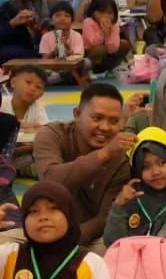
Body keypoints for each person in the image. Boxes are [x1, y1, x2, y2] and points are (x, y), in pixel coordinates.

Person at [31, 84, 133, 250]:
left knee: (118, 252)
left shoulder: (120, 161)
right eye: (97, 118)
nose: (106, 127)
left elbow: (106, 217)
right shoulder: (52, 134)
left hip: (88, 237)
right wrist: (104, 154)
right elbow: (50, 181)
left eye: (114, 121)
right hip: (41, 229)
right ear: (77, 114)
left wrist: (71, 238)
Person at [103, 127, 166, 248]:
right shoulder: (131, 196)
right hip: (131, 261)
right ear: (136, 171)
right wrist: (118, 207)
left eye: (162, 163)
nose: (156, 172)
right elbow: (111, 242)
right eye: (145, 167)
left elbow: (165, 245)